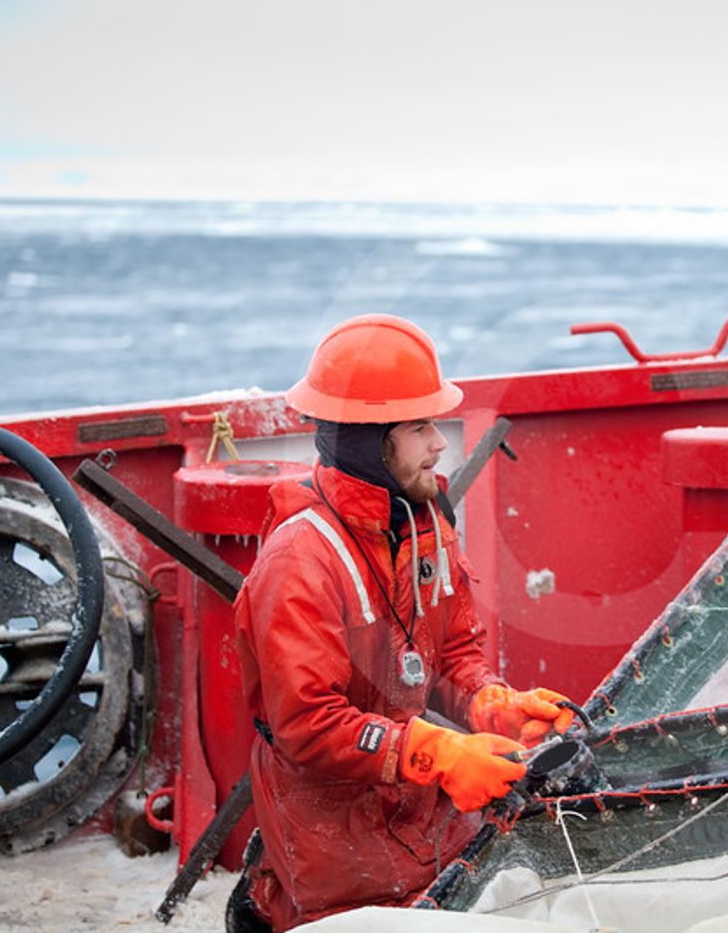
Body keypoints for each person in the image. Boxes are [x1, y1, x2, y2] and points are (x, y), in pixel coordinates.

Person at [228, 314, 575, 931]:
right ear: (368, 443)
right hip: (329, 835)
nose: (440, 444)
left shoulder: (423, 521)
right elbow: (308, 725)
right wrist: (438, 753)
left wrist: (494, 707)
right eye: (419, 428)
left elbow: (451, 658)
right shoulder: (299, 561)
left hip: (416, 811)